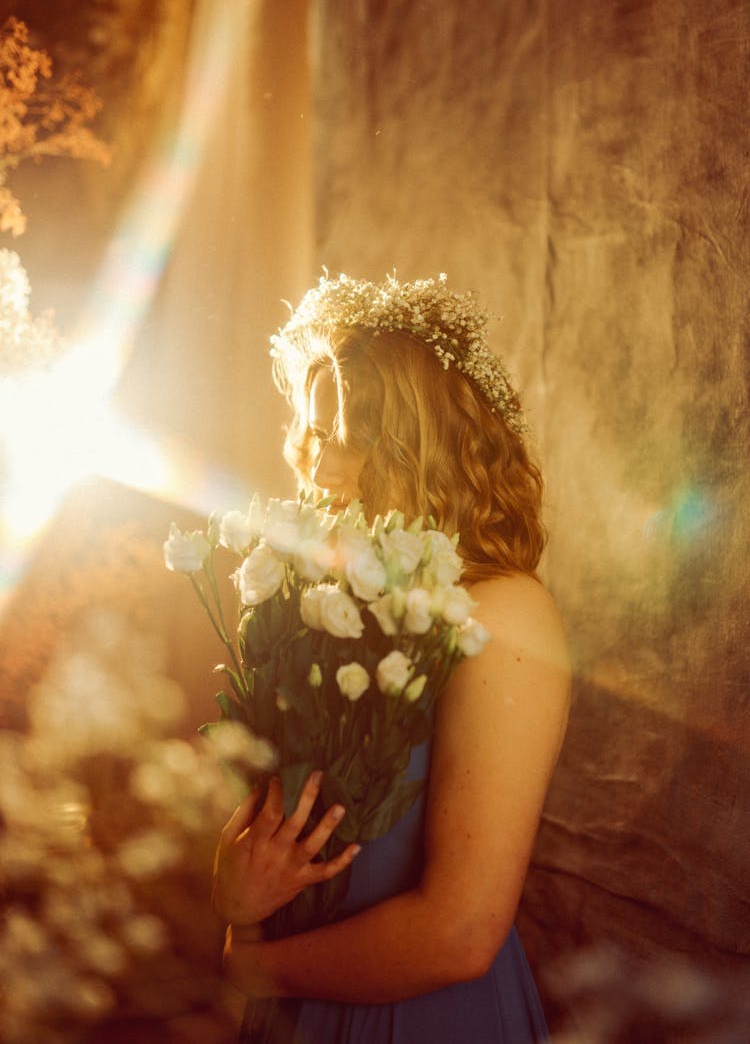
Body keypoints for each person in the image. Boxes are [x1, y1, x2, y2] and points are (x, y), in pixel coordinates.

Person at [212, 273, 571, 1043]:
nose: (311, 465)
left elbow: (460, 932)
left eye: (339, 436)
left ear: (417, 443)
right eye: (307, 431)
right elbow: (281, 814)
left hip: (420, 1017)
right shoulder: (320, 597)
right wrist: (233, 888)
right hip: (295, 1006)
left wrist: (252, 965)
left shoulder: (504, 613)